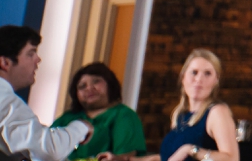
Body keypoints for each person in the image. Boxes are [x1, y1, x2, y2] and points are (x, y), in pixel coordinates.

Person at [0, 26, 91, 161]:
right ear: (5, 62)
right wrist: (82, 127)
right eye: (30, 54)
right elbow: (50, 150)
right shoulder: (5, 101)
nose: (38, 60)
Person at [52, 62, 145, 161]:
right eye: (82, 86)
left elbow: (127, 157)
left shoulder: (124, 115)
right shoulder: (67, 118)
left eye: (96, 82)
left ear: (110, 84)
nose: (89, 88)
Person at [157, 49, 237, 161]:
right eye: (194, 72)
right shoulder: (179, 114)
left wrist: (190, 150)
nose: (199, 79)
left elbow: (232, 159)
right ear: (183, 77)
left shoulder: (217, 112)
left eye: (207, 73)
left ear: (216, 81)